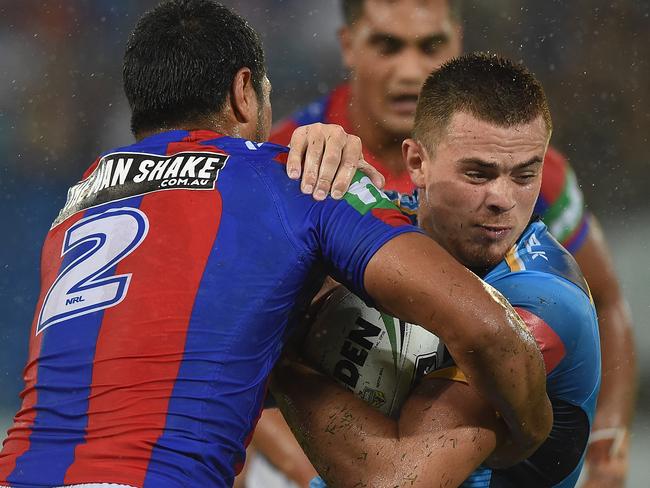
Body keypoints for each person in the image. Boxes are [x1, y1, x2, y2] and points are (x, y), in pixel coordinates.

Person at [0, 2, 551, 488]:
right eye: (265, 94)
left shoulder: (77, 202)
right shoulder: (295, 180)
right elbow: (489, 333)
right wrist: (526, 439)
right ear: (244, 92)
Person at [264, 1, 636, 486]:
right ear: (417, 165)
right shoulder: (333, 173)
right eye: (477, 174)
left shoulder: (545, 304)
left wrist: (282, 356)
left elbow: (395, 483)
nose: (502, 198)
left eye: (524, 174)